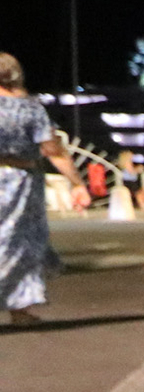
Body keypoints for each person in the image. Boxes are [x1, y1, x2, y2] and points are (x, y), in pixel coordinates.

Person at [0, 52, 88, 325]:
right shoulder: (30, 108)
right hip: (20, 180)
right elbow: (54, 151)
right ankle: (20, 309)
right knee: (22, 243)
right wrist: (78, 183)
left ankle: (19, 308)